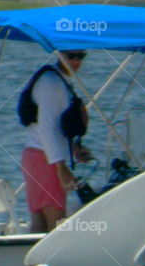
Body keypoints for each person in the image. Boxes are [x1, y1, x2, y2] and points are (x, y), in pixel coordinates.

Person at [18, 49, 92, 232]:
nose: (76, 61)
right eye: (70, 56)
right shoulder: (51, 83)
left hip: (38, 156)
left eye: (81, 56)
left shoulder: (60, 81)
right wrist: (60, 166)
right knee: (55, 224)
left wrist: (73, 148)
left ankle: (30, 259)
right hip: (45, 159)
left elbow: (56, 126)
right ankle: (49, 260)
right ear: (59, 55)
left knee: (41, 223)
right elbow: (47, 126)